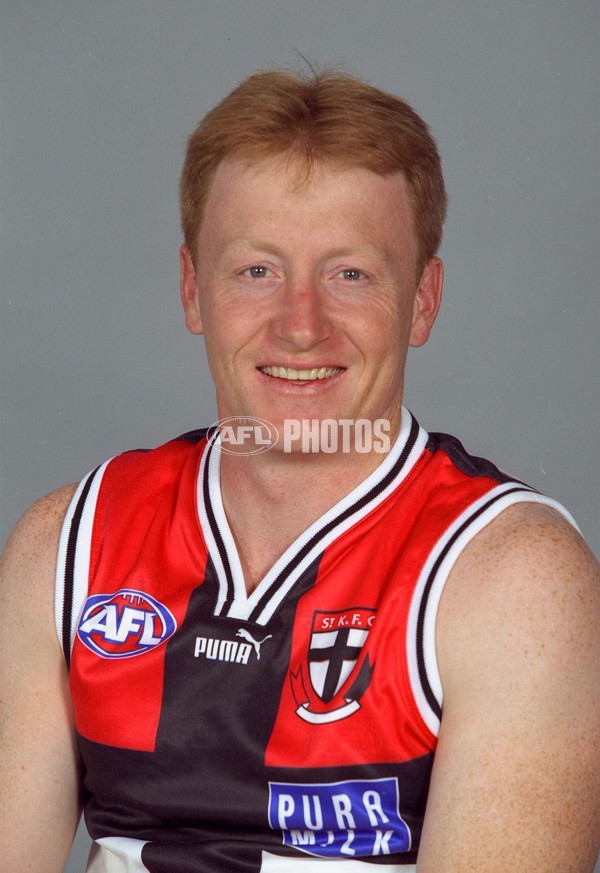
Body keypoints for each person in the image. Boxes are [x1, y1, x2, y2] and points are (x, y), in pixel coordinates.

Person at [1, 69, 599, 873]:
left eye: (350, 274)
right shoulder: (66, 546)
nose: (301, 325)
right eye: (257, 270)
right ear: (192, 290)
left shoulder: (511, 579)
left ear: (422, 301)